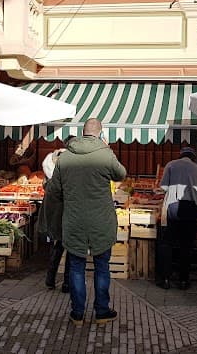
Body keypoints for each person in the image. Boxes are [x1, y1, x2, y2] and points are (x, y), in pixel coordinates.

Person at [45, 118, 127, 326]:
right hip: (101, 221)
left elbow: (53, 190)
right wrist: (108, 149)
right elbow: (121, 174)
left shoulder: (65, 158)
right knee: (101, 267)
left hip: (74, 221)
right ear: (100, 134)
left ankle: (77, 314)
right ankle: (101, 312)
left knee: (76, 267)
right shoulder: (105, 154)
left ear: (82, 133)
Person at [156, 146, 197, 290]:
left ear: (181, 156)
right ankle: (184, 280)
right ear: (193, 157)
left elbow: (164, 187)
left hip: (174, 206)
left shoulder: (171, 165)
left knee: (168, 243)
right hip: (192, 209)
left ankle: (165, 279)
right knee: (187, 246)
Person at [38, 136, 74, 292]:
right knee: (70, 248)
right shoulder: (71, 162)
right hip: (67, 211)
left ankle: (50, 279)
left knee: (57, 245)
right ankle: (66, 283)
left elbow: (47, 183)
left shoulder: (51, 158)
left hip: (55, 212)